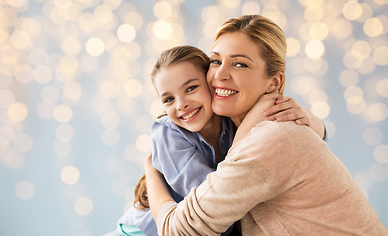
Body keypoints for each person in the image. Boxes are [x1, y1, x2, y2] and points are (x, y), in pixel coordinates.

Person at [145, 15, 388, 235]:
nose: (220, 75)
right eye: (216, 61)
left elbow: (178, 232)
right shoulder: (243, 126)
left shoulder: (272, 137)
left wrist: (151, 173)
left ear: (274, 83)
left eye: (240, 64)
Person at [117, 45, 327, 235]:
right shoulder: (168, 134)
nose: (181, 105)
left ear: (212, 84)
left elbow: (311, 139)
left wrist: (307, 116)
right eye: (169, 99)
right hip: (143, 231)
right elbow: (214, 210)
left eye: (191, 88)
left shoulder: (232, 118)